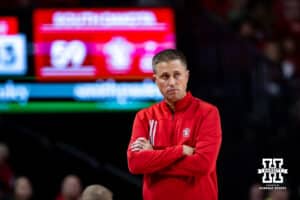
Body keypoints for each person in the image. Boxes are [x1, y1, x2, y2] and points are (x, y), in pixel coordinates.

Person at [127, 49, 222, 200]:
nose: (171, 82)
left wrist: (153, 158)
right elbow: (135, 163)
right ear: (155, 80)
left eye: (177, 75)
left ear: (187, 76)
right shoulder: (144, 117)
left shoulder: (208, 113)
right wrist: (180, 151)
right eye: (165, 76)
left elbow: (203, 165)